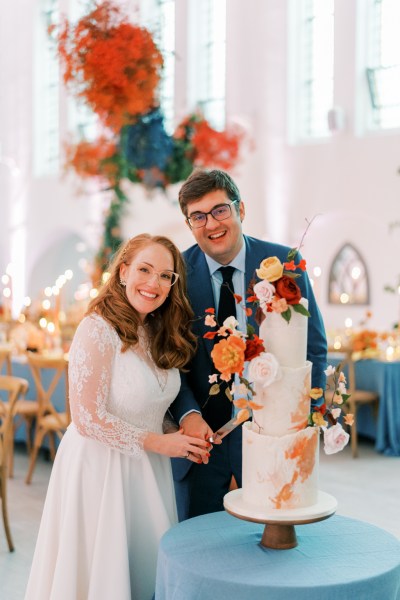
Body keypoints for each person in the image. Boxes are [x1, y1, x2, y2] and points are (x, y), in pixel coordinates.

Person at [25, 234, 211, 600]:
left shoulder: (154, 330)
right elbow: (87, 417)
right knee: (102, 573)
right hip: (101, 468)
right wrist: (161, 442)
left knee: (141, 570)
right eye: (144, 269)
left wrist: (183, 437)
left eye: (165, 276)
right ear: (123, 271)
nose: (153, 283)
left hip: (148, 468)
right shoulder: (97, 329)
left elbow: (146, 406)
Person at [168, 169, 328, 521]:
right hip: (200, 442)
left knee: (274, 540)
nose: (211, 224)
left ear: (241, 210)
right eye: (198, 216)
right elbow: (166, 361)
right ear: (189, 224)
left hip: (272, 435)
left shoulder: (285, 265)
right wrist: (187, 414)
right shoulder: (175, 274)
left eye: (220, 210)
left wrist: (299, 424)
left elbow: (313, 348)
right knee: (199, 544)